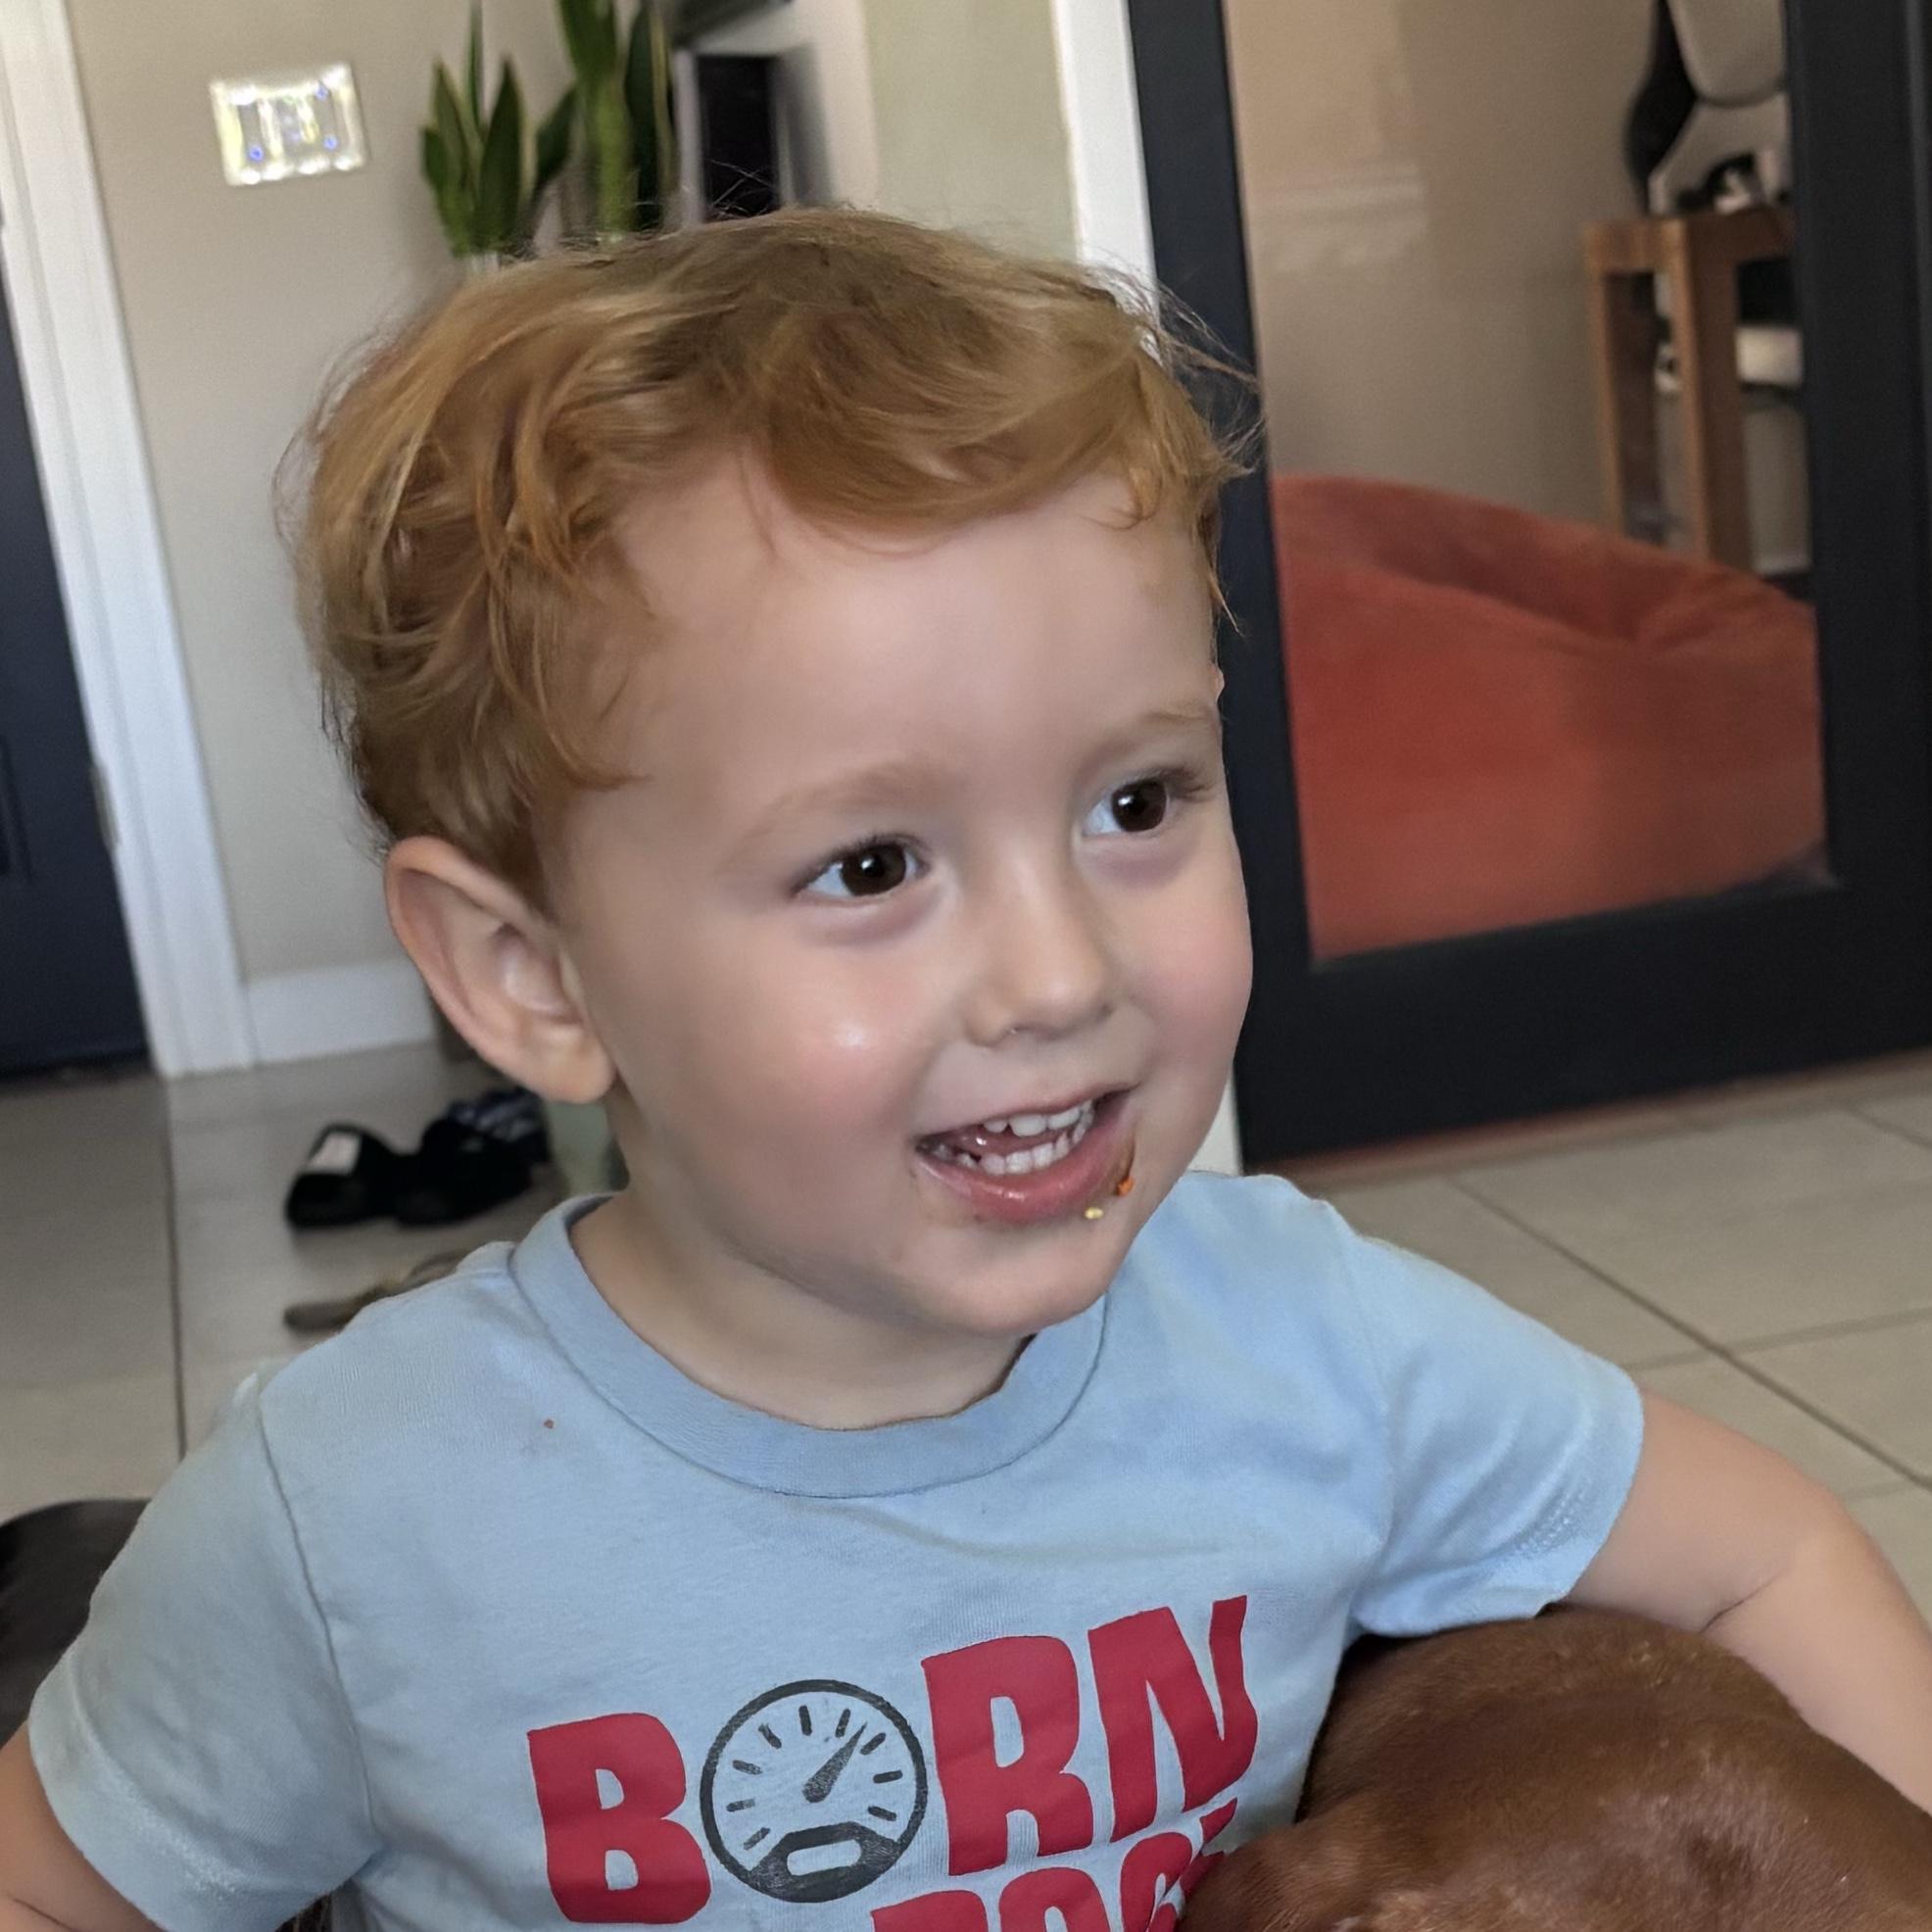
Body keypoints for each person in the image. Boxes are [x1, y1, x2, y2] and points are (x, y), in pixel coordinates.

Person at [3, 208, 1928, 1932]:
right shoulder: (349, 1516)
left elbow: (1763, 1551)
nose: (1059, 970)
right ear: (533, 975)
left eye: (1134, 801)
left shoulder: (1308, 1339)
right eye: (870, 865)